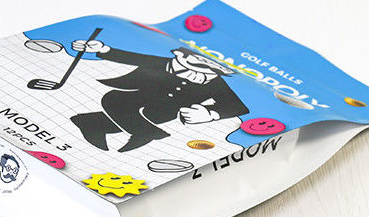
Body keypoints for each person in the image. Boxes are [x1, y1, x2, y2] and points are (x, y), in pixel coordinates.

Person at [70, 40, 249, 152]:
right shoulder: (161, 63)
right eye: (199, 62)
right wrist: (104, 49)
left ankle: (89, 123)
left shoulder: (214, 82)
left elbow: (237, 105)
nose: (205, 68)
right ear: (179, 54)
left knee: (142, 118)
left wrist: (210, 113)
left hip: (166, 112)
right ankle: (148, 133)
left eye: (213, 68)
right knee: (113, 100)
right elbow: (133, 58)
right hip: (135, 97)